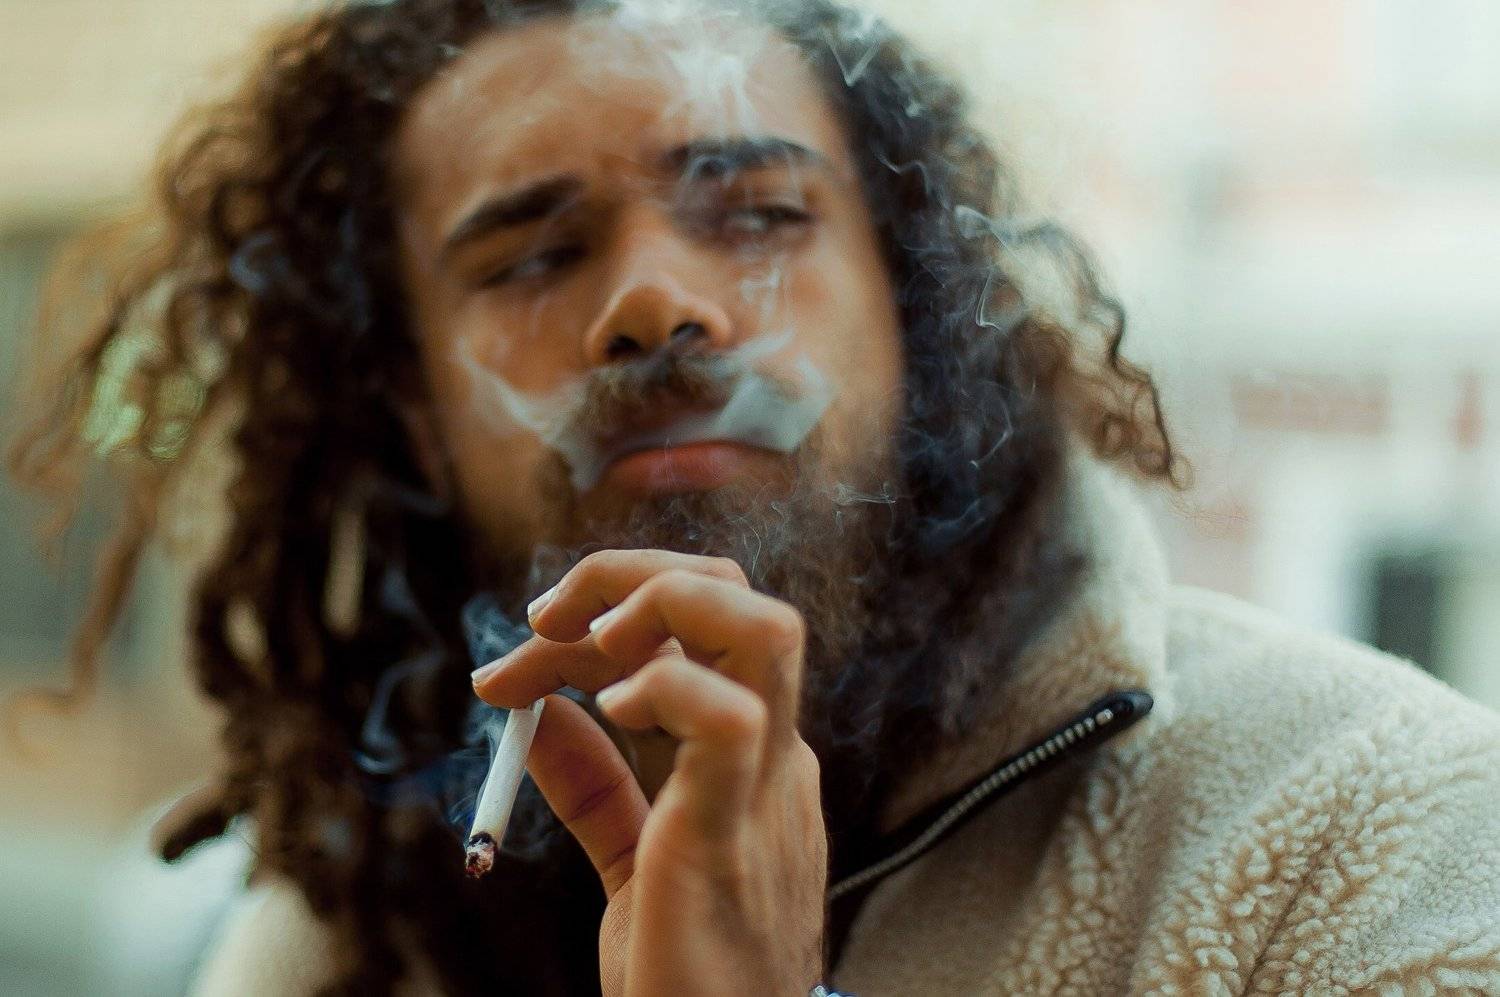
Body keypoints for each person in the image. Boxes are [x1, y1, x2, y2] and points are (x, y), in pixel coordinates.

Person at [10, 0, 1500, 994]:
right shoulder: (341, 942)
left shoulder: (1363, 836)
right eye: (534, 255)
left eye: (759, 212)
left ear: (911, 304)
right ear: (413, 411)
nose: (657, 303)